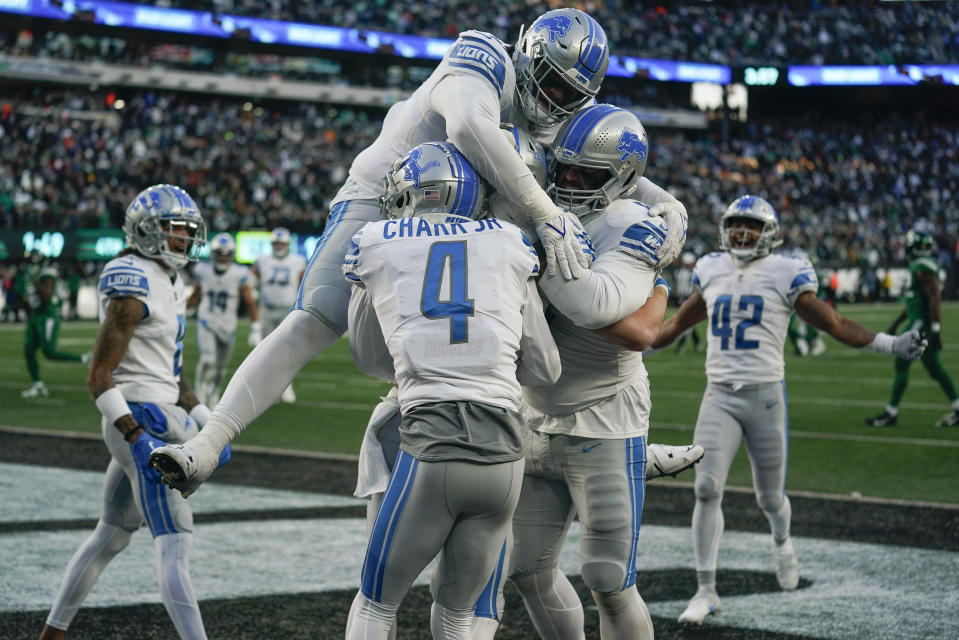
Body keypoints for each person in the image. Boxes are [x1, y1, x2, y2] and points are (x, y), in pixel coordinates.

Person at [144, 7, 689, 500]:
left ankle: (619, 444)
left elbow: (595, 154)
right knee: (317, 317)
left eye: (571, 96)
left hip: (474, 221)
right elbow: (470, 127)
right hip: (389, 201)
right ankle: (210, 443)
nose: (555, 103)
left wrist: (667, 202)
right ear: (529, 53)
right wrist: (545, 214)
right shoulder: (484, 59)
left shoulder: (550, 115)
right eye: (550, 84)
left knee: (533, 328)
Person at [648, 195, 926, 626]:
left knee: (770, 497)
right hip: (718, 395)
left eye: (751, 227)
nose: (742, 233)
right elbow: (676, 326)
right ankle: (706, 590)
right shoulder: (712, 268)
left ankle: (783, 542)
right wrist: (628, 346)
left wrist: (890, 344)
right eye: (736, 225)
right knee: (705, 489)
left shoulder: (786, 271)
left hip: (766, 397)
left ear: (769, 234)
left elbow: (833, 323)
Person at [340, 140, 561, 639]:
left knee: (377, 603)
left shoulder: (376, 240)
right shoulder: (509, 241)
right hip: (505, 456)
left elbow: (369, 357)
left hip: (432, 443)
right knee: (460, 614)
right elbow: (546, 368)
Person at [494, 105, 686, 640]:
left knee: (608, 578)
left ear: (621, 179)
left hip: (604, 415)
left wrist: (532, 281)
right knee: (527, 569)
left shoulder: (625, 220)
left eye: (588, 174)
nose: (572, 181)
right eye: (567, 169)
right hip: (535, 413)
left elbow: (628, 327)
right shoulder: (541, 204)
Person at [37, 184, 225, 640]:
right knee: (175, 541)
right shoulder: (131, 276)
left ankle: (51, 634)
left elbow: (171, 373)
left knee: (113, 532)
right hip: (140, 415)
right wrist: (137, 436)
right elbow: (100, 374)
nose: (184, 239)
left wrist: (208, 422)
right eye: (174, 230)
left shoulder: (168, 280)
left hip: (160, 411)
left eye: (187, 231)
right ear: (146, 231)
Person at [866, 229, 959, 428]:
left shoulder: (922, 266)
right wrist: (896, 322)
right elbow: (914, 302)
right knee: (934, 368)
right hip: (918, 321)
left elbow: (934, 299)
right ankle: (958, 407)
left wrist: (935, 329)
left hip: (920, 324)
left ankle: (891, 413)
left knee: (902, 363)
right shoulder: (920, 265)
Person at [187, 233, 259, 407]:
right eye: (220, 253)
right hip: (207, 321)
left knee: (220, 368)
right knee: (207, 360)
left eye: (227, 254)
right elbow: (196, 294)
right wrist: (183, 313)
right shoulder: (202, 270)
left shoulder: (240, 273)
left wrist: (256, 327)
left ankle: (214, 393)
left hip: (228, 325)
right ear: (213, 253)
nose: (223, 257)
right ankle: (200, 394)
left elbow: (249, 301)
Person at [250, 226, 306, 403]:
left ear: (288, 244)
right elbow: (251, 277)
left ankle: (286, 385)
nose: (279, 246)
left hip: (287, 310)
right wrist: (253, 291)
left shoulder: (297, 261)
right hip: (266, 309)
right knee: (265, 350)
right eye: (276, 243)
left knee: (286, 349)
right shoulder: (263, 260)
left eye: (282, 243)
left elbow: (304, 282)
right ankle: (267, 387)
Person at [20, 267, 90, 399]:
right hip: (36, 317)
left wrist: (34, 280)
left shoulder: (46, 274)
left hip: (47, 317)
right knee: (29, 349)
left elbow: (46, 295)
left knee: (49, 352)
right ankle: (38, 385)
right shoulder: (32, 273)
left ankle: (85, 358)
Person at [673, 251, 701, 354]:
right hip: (681, 300)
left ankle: (681, 345)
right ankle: (697, 342)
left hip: (690, 300)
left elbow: (697, 289)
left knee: (686, 323)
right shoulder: (679, 272)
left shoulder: (695, 273)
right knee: (686, 323)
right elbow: (677, 287)